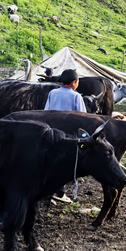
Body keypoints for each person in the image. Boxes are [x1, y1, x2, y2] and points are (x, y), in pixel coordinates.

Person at [43, 68, 86, 203]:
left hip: (52, 133)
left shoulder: (53, 93)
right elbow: (83, 117)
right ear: (74, 82)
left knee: (51, 162)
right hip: (68, 136)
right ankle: (60, 192)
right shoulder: (76, 96)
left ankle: (48, 191)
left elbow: (45, 112)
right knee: (65, 164)